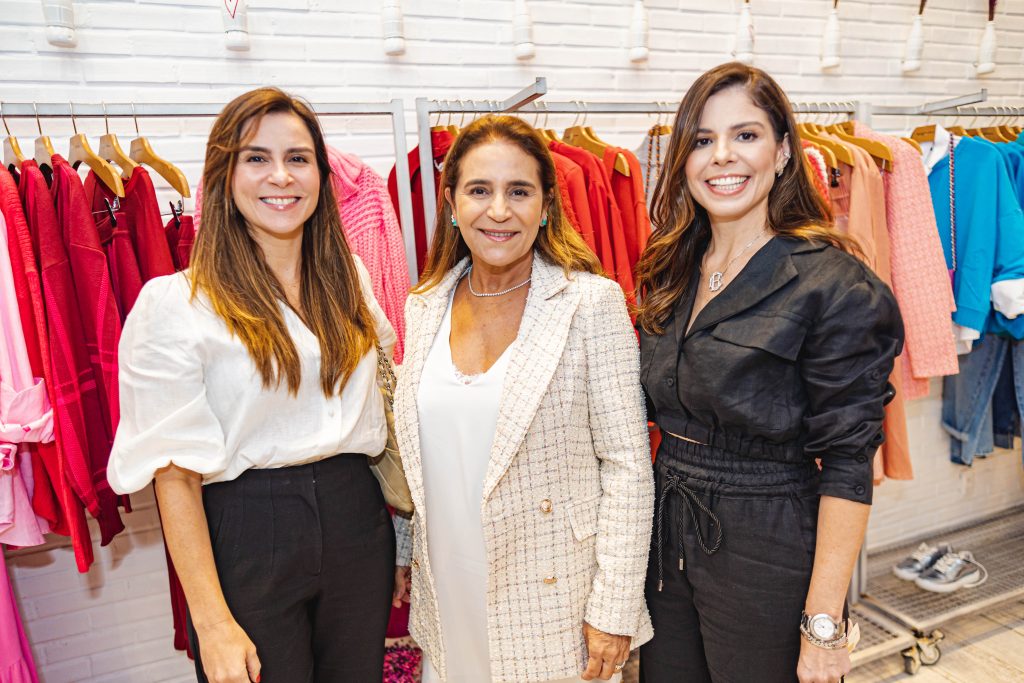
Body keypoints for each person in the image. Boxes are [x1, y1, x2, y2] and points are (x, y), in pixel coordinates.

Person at [107, 87, 400, 683]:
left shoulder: (350, 282)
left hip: (357, 520)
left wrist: (392, 533)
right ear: (224, 174)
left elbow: (382, 410)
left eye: (298, 158)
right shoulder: (176, 304)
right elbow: (174, 475)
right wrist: (211, 622)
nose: (281, 177)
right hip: (247, 531)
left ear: (321, 172)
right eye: (256, 158)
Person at [634, 63, 904, 683]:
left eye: (746, 135)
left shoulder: (833, 285)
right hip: (667, 528)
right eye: (701, 140)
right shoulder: (672, 269)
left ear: (783, 151)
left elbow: (846, 463)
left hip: (768, 539)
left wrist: (824, 625)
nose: (722, 156)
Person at [392, 114, 654, 683]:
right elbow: (414, 454)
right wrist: (402, 551)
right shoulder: (425, 305)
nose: (499, 211)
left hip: (551, 603)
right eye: (479, 190)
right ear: (452, 200)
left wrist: (614, 610)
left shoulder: (589, 303)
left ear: (546, 203)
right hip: (448, 591)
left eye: (519, 191)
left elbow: (628, 467)